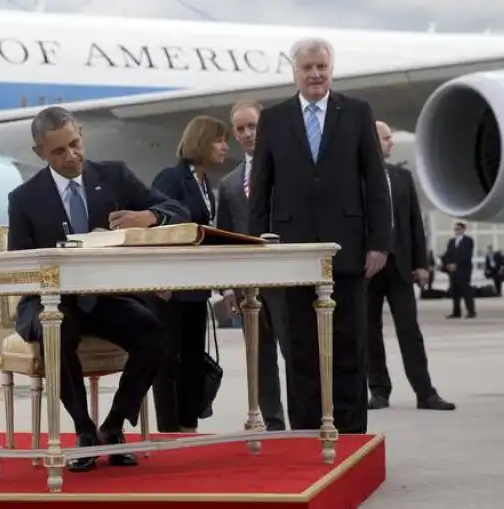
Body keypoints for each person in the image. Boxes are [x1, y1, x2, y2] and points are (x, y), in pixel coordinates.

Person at [6, 105, 189, 472]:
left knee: (154, 335)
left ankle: (114, 425)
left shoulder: (115, 176)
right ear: (39, 153)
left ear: (81, 134)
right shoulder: (24, 199)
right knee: (57, 330)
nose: (71, 155)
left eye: (75, 144)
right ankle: (84, 431)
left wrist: (149, 218)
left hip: (105, 298)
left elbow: (178, 210)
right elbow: (19, 266)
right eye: (58, 151)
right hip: (50, 301)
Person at [247, 37, 393, 435]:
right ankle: (307, 436)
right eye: (307, 68)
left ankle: (350, 438)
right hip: (292, 253)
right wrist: (256, 247)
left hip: (348, 250)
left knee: (349, 348)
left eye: (321, 67)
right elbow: (260, 190)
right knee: (300, 353)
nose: (315, 74)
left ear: (331, 69)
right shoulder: (274, 120)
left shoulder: (357, 112)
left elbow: (375, 182)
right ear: (294, 72)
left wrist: (379, 242)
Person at [366, 121, 455, 411]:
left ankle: (425, 392)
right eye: (387, 138)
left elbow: (415, 223)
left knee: (409, 329)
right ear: (372, 140)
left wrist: (422, 263)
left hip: (401, 266)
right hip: (368, 269)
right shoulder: (355, 177)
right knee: (369, 331)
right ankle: (379, 391)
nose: (392, 142)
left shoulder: (403, 177)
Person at [149, 115, 228, 433]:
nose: (225, 147)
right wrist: (159, 277)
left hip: (195, 286)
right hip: (169, 287)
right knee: (169, 360)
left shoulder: (203, 182)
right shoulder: (170, 178)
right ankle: (169, 429)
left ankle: (188, 426)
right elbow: (154, 228)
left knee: (194, 358)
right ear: (201, 141)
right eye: (219, 140)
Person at [216, 100, 289, 431]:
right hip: (248, 287)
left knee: (295, 353)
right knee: (260, 360)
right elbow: (225, 237)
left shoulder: (288, 171)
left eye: (253, 126)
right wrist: (229, 287)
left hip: (285, 280)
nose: (247, 134)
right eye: (241, 129)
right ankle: (273, 423)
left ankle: (307, 419)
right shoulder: (229, 184)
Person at [442, 222, 476, 318]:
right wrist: (447, 264)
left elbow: (467, 255)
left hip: (463, 269)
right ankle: (456, 312)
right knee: (455, 291)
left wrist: (456, 264)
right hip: (453, 271)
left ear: (463, 230)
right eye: (455, 229)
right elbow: (447, 254)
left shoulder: (468, 241)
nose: (456, 231)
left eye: (458, 229)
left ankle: (471, 311)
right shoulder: (452, 241)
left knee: (466, 290)